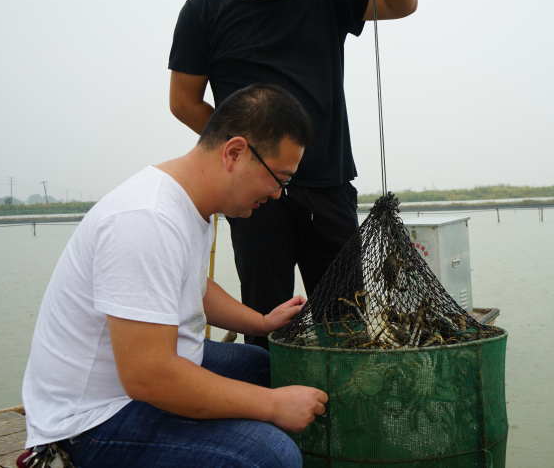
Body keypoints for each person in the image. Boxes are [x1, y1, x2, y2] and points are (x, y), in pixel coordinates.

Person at [21, 84, 327, 468]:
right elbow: (149, 377)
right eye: (279, 178)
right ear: (234, 152)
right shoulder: (147, 219)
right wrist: (272, 406)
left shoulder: (191, 203)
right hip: (91, 419)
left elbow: (193, 288)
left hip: (134, 381)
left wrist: (262, 322)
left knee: (260, 365)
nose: (280, 194)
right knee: (272, 456)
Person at [168, 0, 418, 350]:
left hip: (329, 187)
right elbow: (183, 102)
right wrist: (243, 155)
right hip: (254, 197)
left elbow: (402, 3)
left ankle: (343, 405)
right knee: (266, 322)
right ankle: (263, 406)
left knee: (346, 320)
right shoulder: (204, 9)